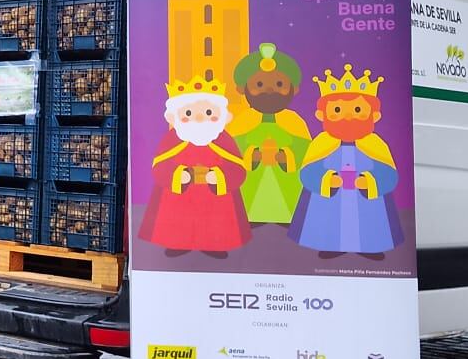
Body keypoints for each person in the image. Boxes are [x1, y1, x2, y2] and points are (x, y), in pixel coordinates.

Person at [289, 65, 402, 258]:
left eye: (358, 109)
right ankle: (330, 244)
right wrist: (325, 180)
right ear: (321, 115)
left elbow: (389, 174)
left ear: (374, 116)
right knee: (329, 220)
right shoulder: (321, 143)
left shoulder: (376, 144)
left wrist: (370, 182)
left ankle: (369, 247)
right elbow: (308, 171)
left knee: (369, 223)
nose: (348, 115)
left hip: (367, 200)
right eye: (337, 110)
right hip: (329, 199)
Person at [139, 76, 250, 257]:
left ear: (223, 116)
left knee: (214, 222)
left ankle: (213, 245)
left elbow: (238, 169)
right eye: (188, 113)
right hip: (179, 197)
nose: (199, 117)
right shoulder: (172, 139)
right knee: (178, 222)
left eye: (208, 112)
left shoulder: (223, 139)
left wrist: (220, 177)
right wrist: (177, 175)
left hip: (216, 199)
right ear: (175, 117)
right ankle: (178, 243)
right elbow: (159, 167)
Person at [228, 43, 311, 225]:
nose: (270, 89)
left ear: (293, 89)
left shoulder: (294, 121)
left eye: (279, 84)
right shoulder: (242, 121)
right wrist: (252, 155)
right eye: (259, 84)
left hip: (286, 179)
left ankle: (287, 217)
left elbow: (306, 151)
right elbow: (231, 150)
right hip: (251, 180)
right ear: (243, 89)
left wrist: (285, 156)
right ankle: (250, 216)